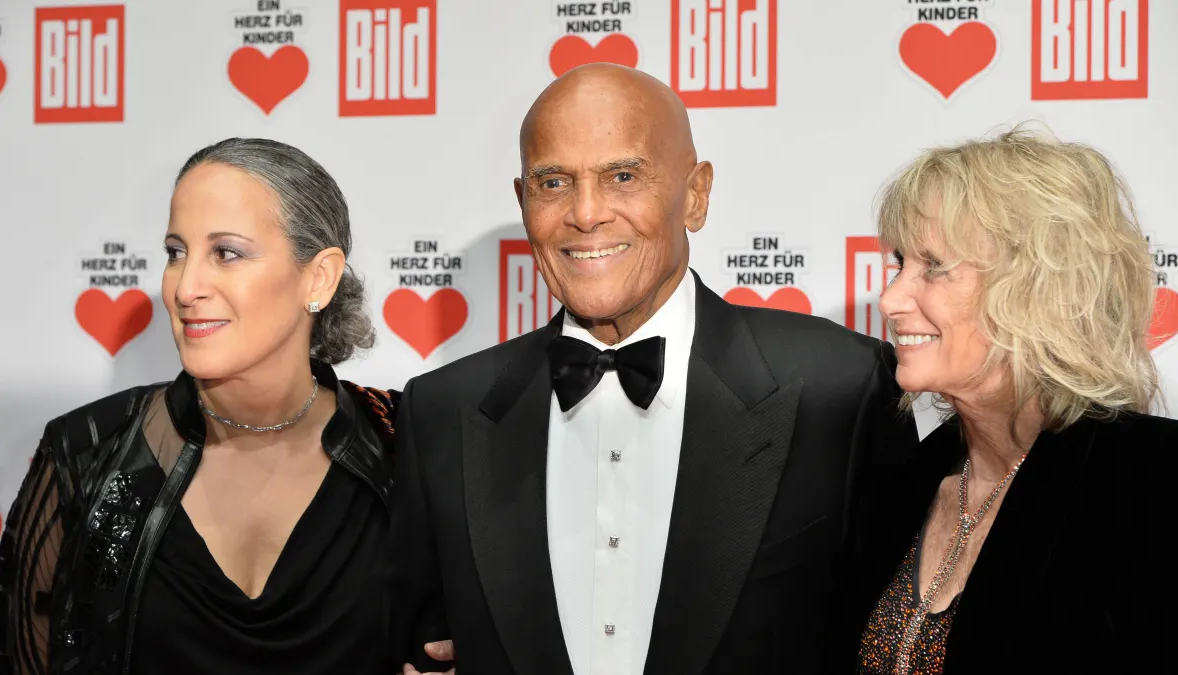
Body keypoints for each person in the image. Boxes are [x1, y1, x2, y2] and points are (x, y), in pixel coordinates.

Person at [394, 63, 919, 675]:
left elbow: (902, 632)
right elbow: (417, 639)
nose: (586, 214)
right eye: (554, 182)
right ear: (523, 200)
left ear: (694, 195)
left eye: (622, 176)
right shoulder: (441, 410)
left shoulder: (840, 386)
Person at [0, 138, 448, 674]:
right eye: (175, 252)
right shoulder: (86, 450)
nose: (185, 287)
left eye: (226, 253)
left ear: (319, 277)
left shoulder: (407, 441)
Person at [843, 127, 1178, 674]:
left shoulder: (1161, 482)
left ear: (1036, 288)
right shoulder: (899, 484)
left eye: (933, 266)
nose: (889, 299)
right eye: (899, 264)